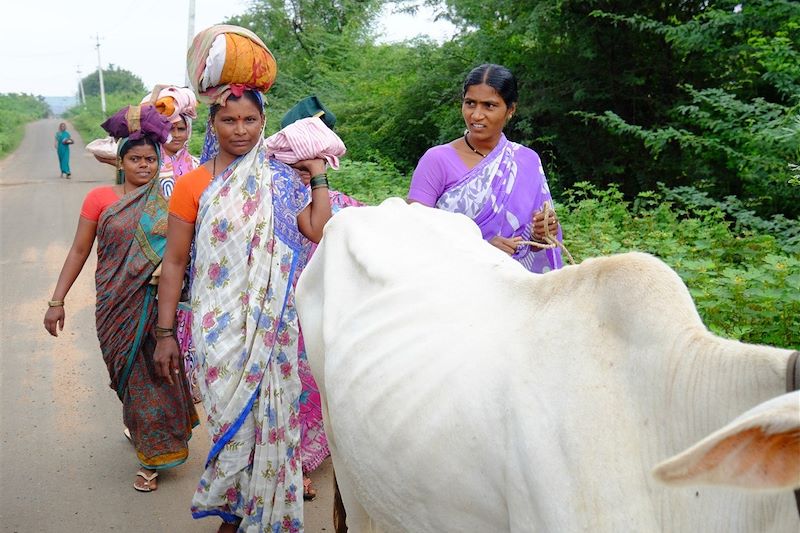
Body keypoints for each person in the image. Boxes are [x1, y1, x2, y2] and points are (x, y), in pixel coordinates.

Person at [153, 25, 332, 532]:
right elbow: (174, 263)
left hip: (273, 330)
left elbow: (316, 229)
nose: (240, 129)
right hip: (218, 334)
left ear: (262, 121)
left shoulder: (278, 178)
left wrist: (317, 173)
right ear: (214, 122)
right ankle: (239, 514)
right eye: (229, 119)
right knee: (232, 430)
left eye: (250, 119)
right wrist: (166, 333)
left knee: (268, 424)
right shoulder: (192, 185)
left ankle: (244, 521)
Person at [43, 105, 198, 493]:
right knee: (129, 377)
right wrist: (56, 300)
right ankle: (144, 432)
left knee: (158, 375)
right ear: (121, 161)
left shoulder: (169, 198)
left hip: (155, 304)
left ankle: (151, 458)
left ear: (159, 160)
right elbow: (79, 251)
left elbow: (186, 252)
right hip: (114, 305)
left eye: (150, 159)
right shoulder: (99, 199)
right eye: (135, 159)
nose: (143, 166)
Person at [265, 98, 363, 501]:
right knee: (278, 386)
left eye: (316, 164)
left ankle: (301, 462)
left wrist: (318, 178)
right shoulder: (266, 191)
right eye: (301, 165)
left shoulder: (337, 203)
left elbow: (326, 230)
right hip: (270, 307)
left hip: (315, 311)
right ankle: (279, 463)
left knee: (311, 383)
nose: (304, 173)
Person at [408, 63, 563, 273]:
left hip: (515, 287)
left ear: (510, 110)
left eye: (489, 106)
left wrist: (539, 234)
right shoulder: (436, 160)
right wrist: (480, 250)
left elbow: (532, 246)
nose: (476, 115)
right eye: (470, 103)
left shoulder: (526, 161)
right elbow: (413, 234)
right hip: (449, 285)